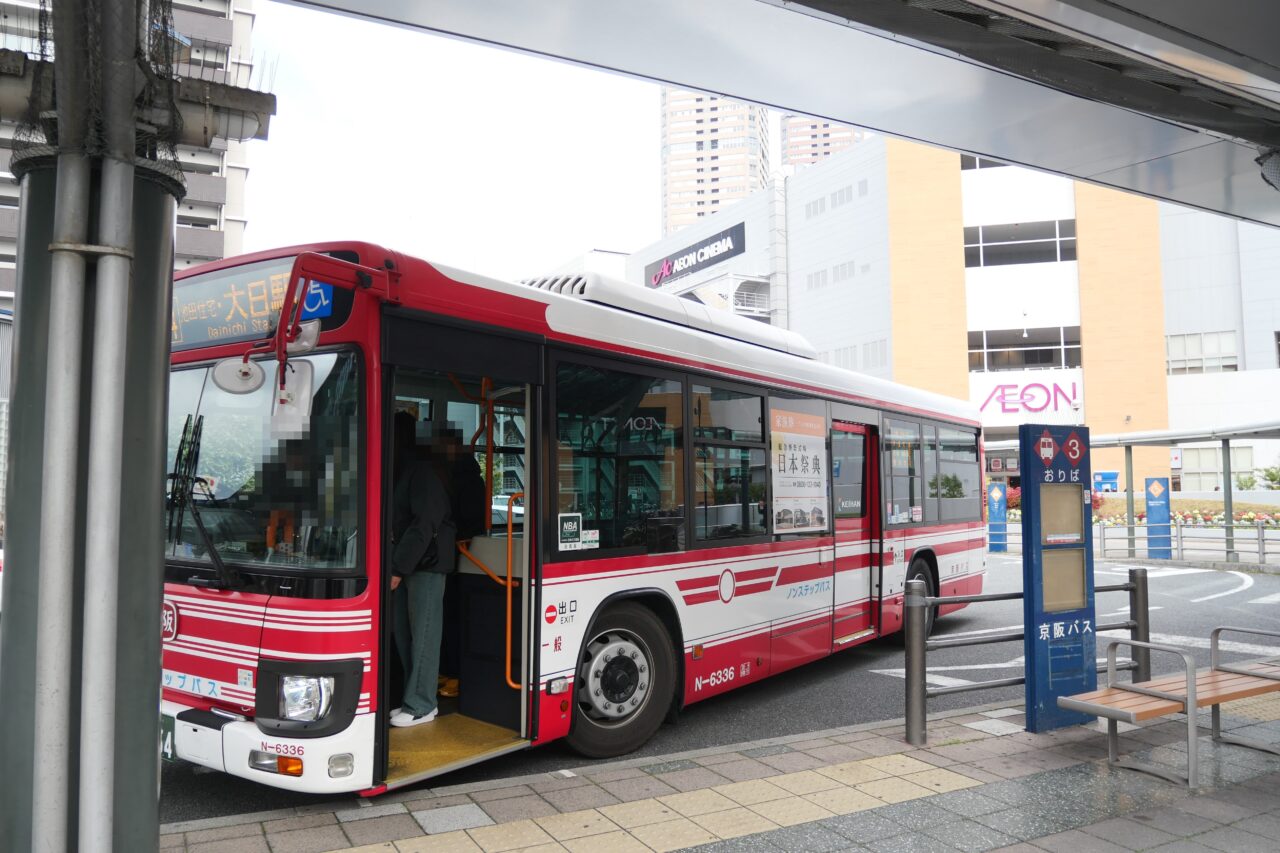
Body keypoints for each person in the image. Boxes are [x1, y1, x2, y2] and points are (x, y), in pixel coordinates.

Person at [390, 412, 456, 727]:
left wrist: (398, 566)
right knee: (404, 633)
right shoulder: (405, 469)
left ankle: (422, 704)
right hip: (408, 563)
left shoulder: (420, 471)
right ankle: (411, 698)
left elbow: (423, 525)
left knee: (424, 634)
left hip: (425, 565)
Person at [432, 423, 486, 698]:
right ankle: (449, 671)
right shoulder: (461, 474)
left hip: (462, 554)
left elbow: (468, 519)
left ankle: (455, 674)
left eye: (443, 446)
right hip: (457, 553)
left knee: (455, 617)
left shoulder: (465, 479)